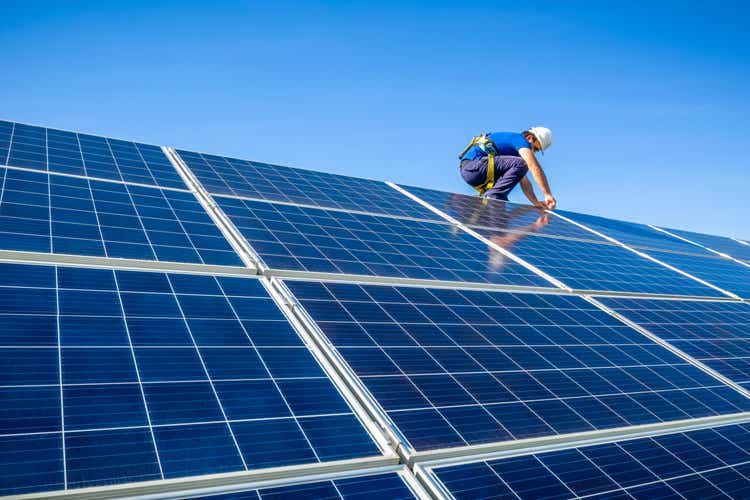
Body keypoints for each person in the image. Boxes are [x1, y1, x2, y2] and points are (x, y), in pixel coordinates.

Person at [458, 127, 557, 209]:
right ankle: (493, 196)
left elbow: (524, 180)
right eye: (535, 148)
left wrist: (536, 203)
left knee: (502, 210)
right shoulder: (520, 140)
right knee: (523, 163)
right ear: (529, 138)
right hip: (474, 166)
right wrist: (547, 194)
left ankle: (492, 201)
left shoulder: (513, 157)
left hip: (472, 171)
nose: (534, 152)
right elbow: (534, 167)